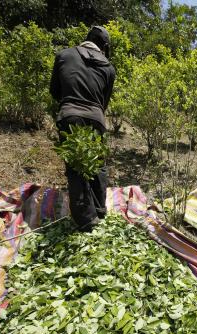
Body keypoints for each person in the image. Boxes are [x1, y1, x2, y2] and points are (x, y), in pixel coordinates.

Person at [50, 26, 116, 231]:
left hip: (70, 114)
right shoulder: (108, 68)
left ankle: (87, 220)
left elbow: (54, 90)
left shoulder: (64, 55)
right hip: (96, 118)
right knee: (98, 164)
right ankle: (99, 208)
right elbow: (103, 102)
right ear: (104, 47)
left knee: (76, 167)